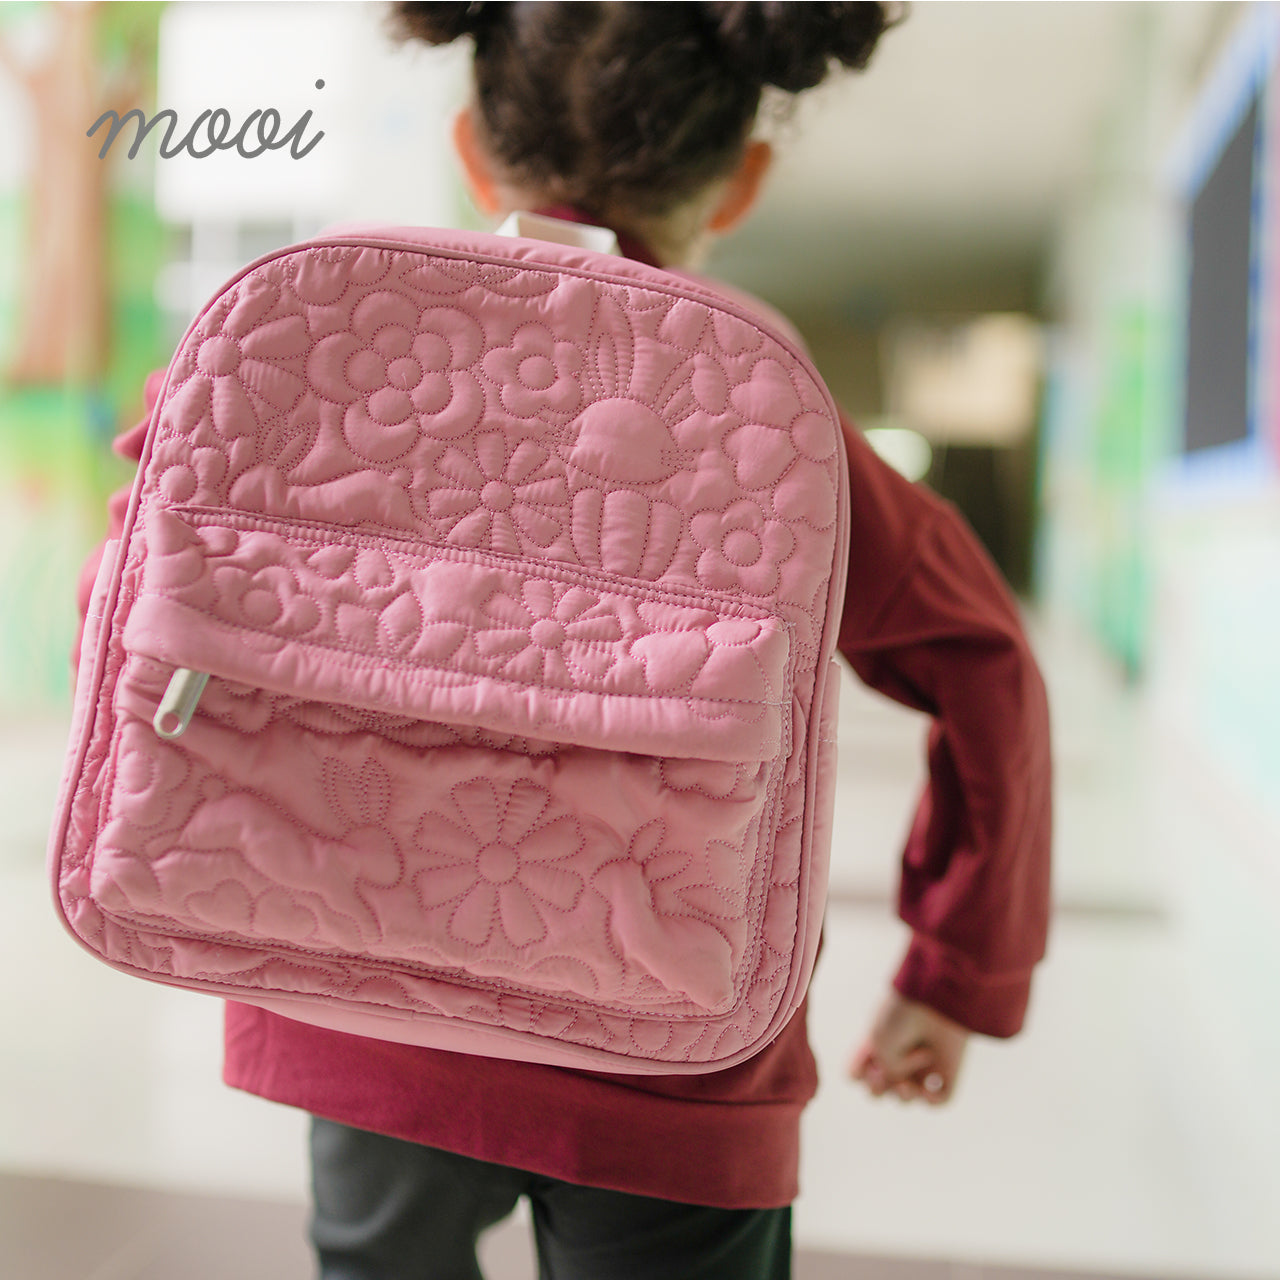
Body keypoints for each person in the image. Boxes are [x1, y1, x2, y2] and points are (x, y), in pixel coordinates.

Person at [87, 4, 1052, 1277]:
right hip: (671, 1052)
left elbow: (136, 561)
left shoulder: (324, 332)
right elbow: (985, 661)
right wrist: (956, 963)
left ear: (469, 146)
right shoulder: (776, 421)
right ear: (742, 178)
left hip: (358, 991)